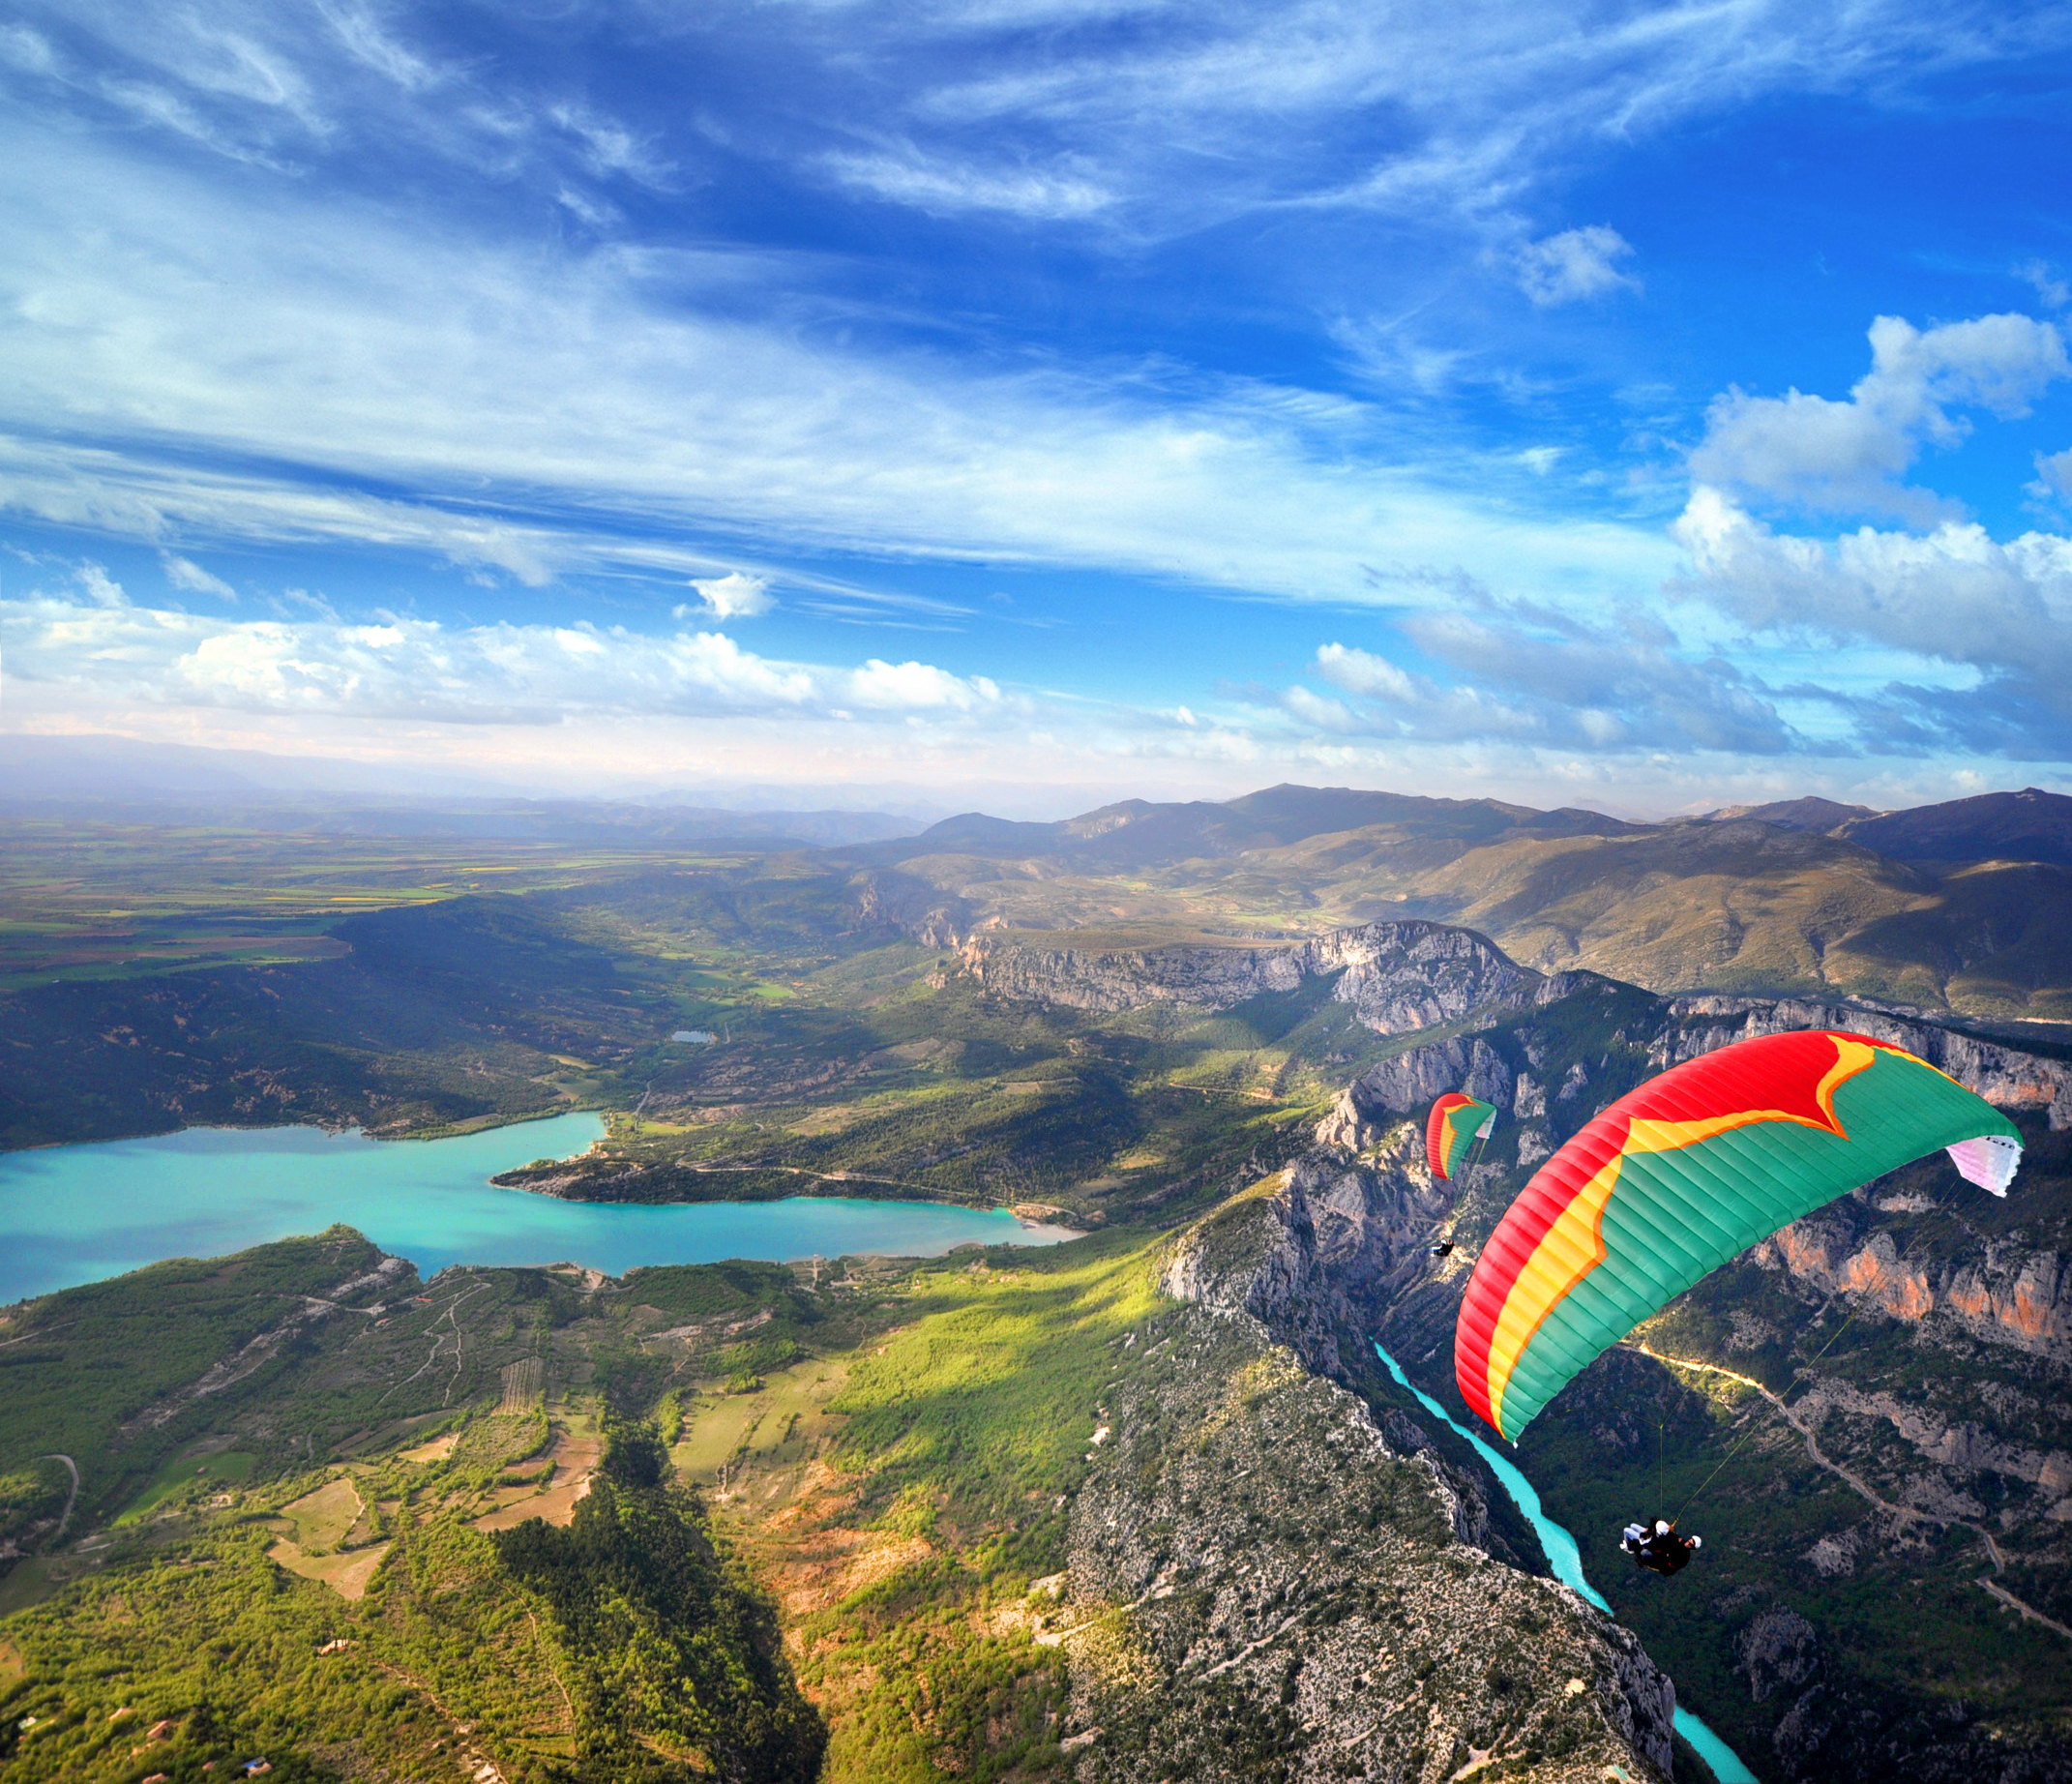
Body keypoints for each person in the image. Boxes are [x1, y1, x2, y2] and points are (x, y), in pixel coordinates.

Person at [1620, 1518, 1700, 1576]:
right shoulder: (1679, 1541)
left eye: (1690, 1544)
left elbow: (1645, 1544)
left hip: (1656, 1556)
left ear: (1692, 1548)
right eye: (1690, 1540)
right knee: (1632, 1526)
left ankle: (1629, 1548)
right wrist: (1670, 1530)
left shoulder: (1684, 1554)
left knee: (1627, 1531)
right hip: (1652, 1541)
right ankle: (1631, 1545)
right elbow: (1672, 1538)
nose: (1688, 1542)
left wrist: (1642, 1537)